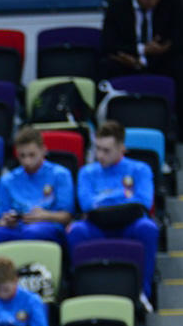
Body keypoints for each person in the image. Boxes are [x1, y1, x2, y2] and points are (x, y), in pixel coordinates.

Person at [66, 120, 159, 309]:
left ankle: (143, 293)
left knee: (148, 228)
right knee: (75, 231)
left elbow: (143, 202)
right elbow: (86, 204)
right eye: (97, 149)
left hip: (129, 224)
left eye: (106, 150)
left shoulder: (140, 170)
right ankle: (81, 292)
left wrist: (104, 199)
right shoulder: (86, 172)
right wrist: (121, 198)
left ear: (121, 148)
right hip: (97, 226)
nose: (100, 155)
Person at [99, 0, 183, 140]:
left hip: (160, 60)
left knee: (182, 65)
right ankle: (108, 131)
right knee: (105, 66)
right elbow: (109, 43)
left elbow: (180, 39)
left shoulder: (172, 3)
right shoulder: (116, 6)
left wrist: (163, 48)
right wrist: (141, 50)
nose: (152, 2)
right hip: (126, 61)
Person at [0, 126, 75, 249]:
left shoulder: (60, 175)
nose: (27, 161)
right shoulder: (7, 180)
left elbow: (67, 216)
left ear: (43, 150)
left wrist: (45, 216)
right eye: (22, 156)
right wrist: (7, 220)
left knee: (32, 232)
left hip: (47, 226)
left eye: (32, 155)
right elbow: (0, 218)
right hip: (16, 228)